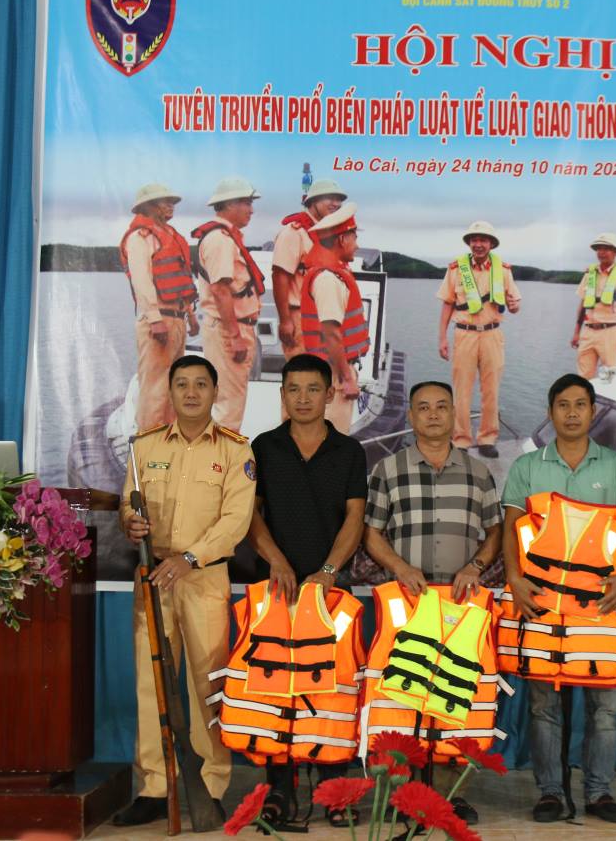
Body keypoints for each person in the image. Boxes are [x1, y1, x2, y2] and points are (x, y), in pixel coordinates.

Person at [114, 354, 256, 827]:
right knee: (150, 683)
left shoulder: (236, 451)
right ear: (170, 392)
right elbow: (126, 502)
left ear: (217, 393)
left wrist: (189, 559)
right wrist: (128, 522)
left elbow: (236, 520)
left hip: (202, 577)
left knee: (207, 685)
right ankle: (155, 786)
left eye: (201, 384)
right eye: (182, 384)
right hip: (153, 578)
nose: (191, 393)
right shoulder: (144, 446)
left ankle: (211, 785)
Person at [501, 374, 616, 824]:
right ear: (550, 412)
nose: (571, 413)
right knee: (543, 704)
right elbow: (510, 528)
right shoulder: (527, 468)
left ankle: (599, 792)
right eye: (562, 405)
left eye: (580, 405)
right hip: (544, 602)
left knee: (604, 706)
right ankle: (549, 792)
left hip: (604, 606)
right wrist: (514, 578)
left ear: (590, 411)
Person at [361, 379, 503, 825]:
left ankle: (448, 795)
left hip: (461, 604)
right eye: (424, 407)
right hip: (410, 602)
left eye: (443, 406)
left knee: (456, 694)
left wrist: (476, 567)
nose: (435, 414)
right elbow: (371, 534)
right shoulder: (389, 469)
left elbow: (495, 530)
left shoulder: (478, 472)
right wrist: (400, 568)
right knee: (406, 697)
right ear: (411, 416)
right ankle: (406, 793)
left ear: (455, 413)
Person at [246, 353, 368, 827]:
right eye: (292, 389)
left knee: (332, 691)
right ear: (282, 396)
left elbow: (354, 517)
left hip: (331, 593)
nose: (302, 398)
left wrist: (330, 571)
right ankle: (281, 790)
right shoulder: (263, 447)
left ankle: (335, 789)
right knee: (277, 690)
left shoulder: (349, 452)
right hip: (275, 591)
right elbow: (251, 516)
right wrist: (276, 560)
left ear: (330, 394)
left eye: (312, 389)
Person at [437, 221, 522, 457]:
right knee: (462, 391)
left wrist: (515, 306)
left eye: (483, 240)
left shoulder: (503, 270)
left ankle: (487, 439)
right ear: (469, 243)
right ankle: (461, 440)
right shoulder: (456, 269)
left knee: (491, 390)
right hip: (464, 334)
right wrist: (442, 338)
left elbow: (515, 305)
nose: (478, 244)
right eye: (474, 239)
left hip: (493, 334)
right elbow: (447, 304)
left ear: (491, 244)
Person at [120, 183, 198, 430]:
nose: (170, 206)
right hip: (158, 322)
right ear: (147, 206)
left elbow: (179, 281)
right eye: (164, 201)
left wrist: (190, 315)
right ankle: (147, 452)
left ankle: (168, 453)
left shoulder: (169, 236)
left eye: (172, 202)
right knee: (155, 389)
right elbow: (142, 280)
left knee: (173, 387)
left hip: (176, 320)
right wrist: (154, 319)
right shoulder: (139, 238)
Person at [191, 177, 265, 431]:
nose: (251, 209)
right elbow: (221, 290)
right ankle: (218, 467)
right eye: (246, 202)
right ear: (228, 205)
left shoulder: (226, 238)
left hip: (231, 328)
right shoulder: (220, 240)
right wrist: (235, 337)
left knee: (229, 402)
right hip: (228, 331)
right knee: (228, 407)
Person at [298, 203, 368, 433]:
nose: (357, 245)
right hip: (333, 375)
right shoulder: (328, 278)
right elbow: (331, 333)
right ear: (341, 240)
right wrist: (347, 378)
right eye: (354, 237)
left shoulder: (328, 273)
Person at [271, 178, 347, 360]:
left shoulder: (329, 234)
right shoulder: (293, 233)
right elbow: (280, 276)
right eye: (330, 198)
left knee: (327, 378)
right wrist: (285, 321)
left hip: (327, 319)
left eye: (339, 199)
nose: (336, 204)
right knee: (305, 377)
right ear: (313, 201)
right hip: (301, 318)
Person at [571, 233, 616, 379]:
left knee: (608, 377)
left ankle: (606, 402)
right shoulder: (590, 274)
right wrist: (576, 332)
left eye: (606, 249)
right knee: (583, 377)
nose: (601, 252)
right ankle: (587, 401)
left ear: (615, 252)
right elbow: (582, 305)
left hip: (611, 332)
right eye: (599, 249)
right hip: (588, 330)